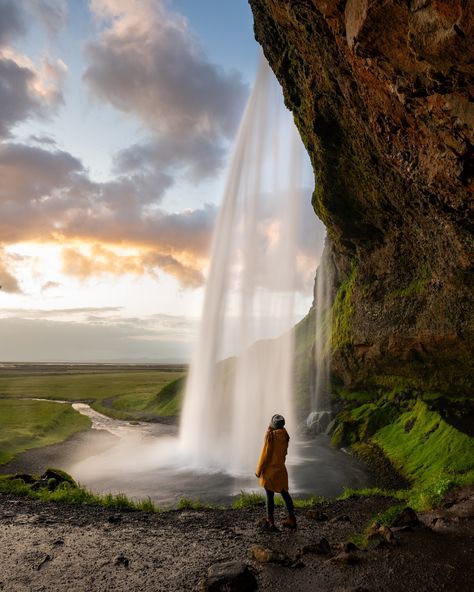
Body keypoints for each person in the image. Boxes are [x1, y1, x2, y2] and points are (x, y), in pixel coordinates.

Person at [255, 413, 296, 530]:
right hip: (281, 469)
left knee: (269, 496)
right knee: (285, 493)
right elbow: (284, 453)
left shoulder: (270, 437)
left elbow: (265, 455)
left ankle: (270, 521)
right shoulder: (285, 435)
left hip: (270, 471)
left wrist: (258, 471)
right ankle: (292, 519)